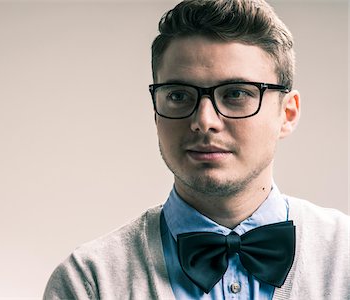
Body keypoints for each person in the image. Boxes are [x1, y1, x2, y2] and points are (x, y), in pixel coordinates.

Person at [44, 0, 349, 299]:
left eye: (236, 94)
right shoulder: (89, 282)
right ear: (155, 112)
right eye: (179, 95)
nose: (204, 121)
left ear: (288, 114)